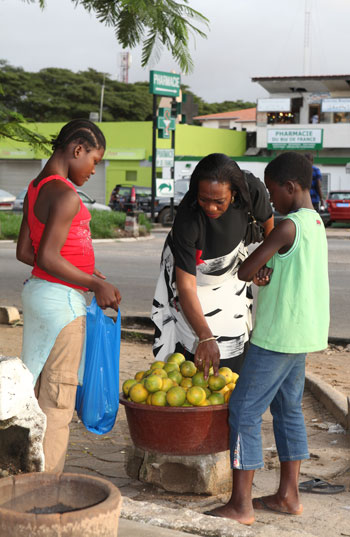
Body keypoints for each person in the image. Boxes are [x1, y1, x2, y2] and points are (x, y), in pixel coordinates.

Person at [205, 151, 329, 525]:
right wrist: (266, 269)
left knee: (243, 410)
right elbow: (281, 268)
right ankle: (289, 495)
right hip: (302, 334)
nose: (271, 202)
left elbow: (246, 269)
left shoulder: (287, 226)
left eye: (274, 194)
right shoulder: (315, 222)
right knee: (288, 409)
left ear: (290, 187)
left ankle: (240, 505)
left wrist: (258, 264)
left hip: (276, 336)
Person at [16, 118, 121, 473]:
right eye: (94, 160)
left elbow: (26, 253)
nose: (94, 169)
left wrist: (86, 273)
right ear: (78, 150)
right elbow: (46, 256)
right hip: (62, 305)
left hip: (41, 296)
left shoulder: (35, 187)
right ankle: (43, 492)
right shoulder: (64, 194)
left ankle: (22, 478)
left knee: (34, 394)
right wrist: (95, 284)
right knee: (57, 404)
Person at [151, 153, 274, 376]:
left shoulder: (252, 190)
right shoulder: (187, 219)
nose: (211, 208)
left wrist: (262, 265)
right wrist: (205, 336)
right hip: (192, 277)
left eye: (219, 201)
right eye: (203, 199)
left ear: (234, 194)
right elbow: (186, 286)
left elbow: (270, 232)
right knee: (190, 345)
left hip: (233, 272)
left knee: (232, 343)